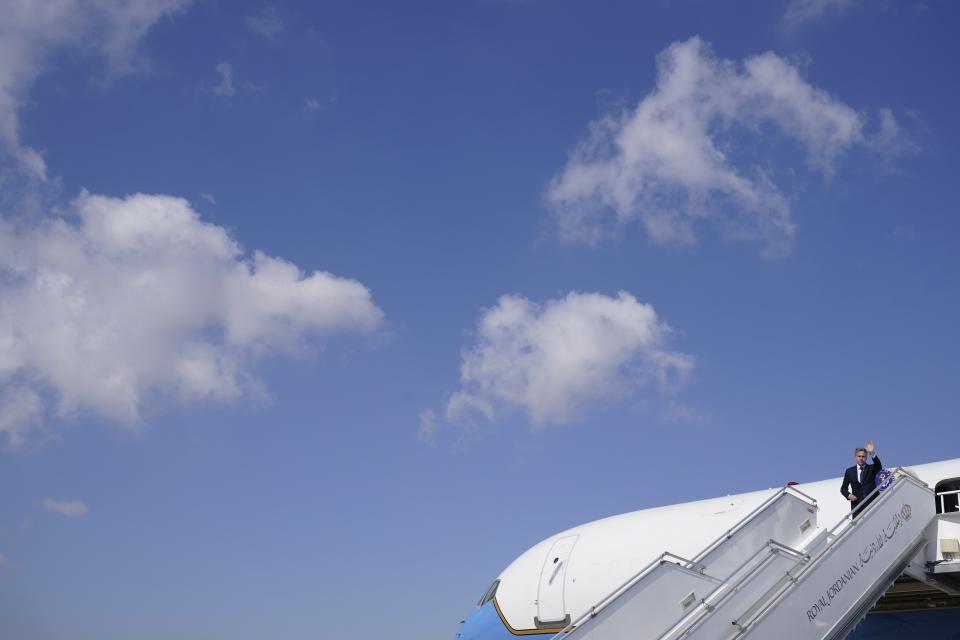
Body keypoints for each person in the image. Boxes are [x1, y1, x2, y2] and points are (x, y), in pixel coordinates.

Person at [840, 440, 882, 516]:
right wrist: (849, 495)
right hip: (857, 508)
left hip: (872, 504)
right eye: (859, 456)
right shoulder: (849, 471)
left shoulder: (871, 468)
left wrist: (872, 452)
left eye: (863, 456)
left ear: (866, 457)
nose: (861, 458)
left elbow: (879, 466)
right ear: (855, 457)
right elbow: (843, 488)